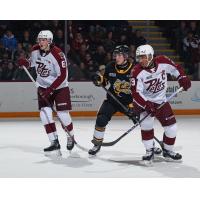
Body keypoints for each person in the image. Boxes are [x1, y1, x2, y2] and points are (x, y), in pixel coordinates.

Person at [88, 45, 161, 156]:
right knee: (101, 119)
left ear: (125, 56)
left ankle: (151, 146)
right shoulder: (111, 66)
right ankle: (97, 143)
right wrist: (99, 79)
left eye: (119, 55)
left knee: (143, 124)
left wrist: (132, 106)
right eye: (115, 55)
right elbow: (105, 81)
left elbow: (139, 90)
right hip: (112, 100)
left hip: (130, 102)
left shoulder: (135, 69)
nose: (116, 57)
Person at [131, 44, 191, 163]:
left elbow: (176, 68)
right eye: (139, 57)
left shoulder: (163, 60)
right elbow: (135, 93)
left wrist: (182, 77)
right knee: (146, 127)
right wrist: (147, 105)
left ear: (151, 56)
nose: (141, 60)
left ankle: (168, 151)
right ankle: (149, 151)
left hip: (161, 101)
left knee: (172, 128)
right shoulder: (136, 71)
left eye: (144, 57)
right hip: (145, 103)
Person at [18, 30, 75, 156]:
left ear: (49, 41)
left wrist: (51, 90)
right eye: (39, 39)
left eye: (44, 40)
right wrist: (26, 63)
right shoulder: (35, 49)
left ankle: (70, 136)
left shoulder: (58, 54)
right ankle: (54, 141)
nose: (41, 42)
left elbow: (63, 76)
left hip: (60, 87)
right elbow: (32, 62)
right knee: (44, 114)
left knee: (62, 114)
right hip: (43, 86)